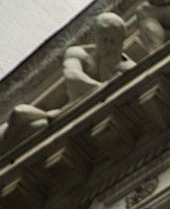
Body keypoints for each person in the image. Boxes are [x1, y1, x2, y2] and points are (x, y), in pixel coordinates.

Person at [2, 13, 134, 149]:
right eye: (104, 39)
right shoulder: (80, 53)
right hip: (63, 113)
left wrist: (109, 67)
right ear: (95, 36)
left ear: (120, 43)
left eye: (113, 41)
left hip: (74, 117)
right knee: (19, 113)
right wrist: (101, 86)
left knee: (29, 122)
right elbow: (72, 75)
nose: (108, 45)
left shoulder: (124, 66)